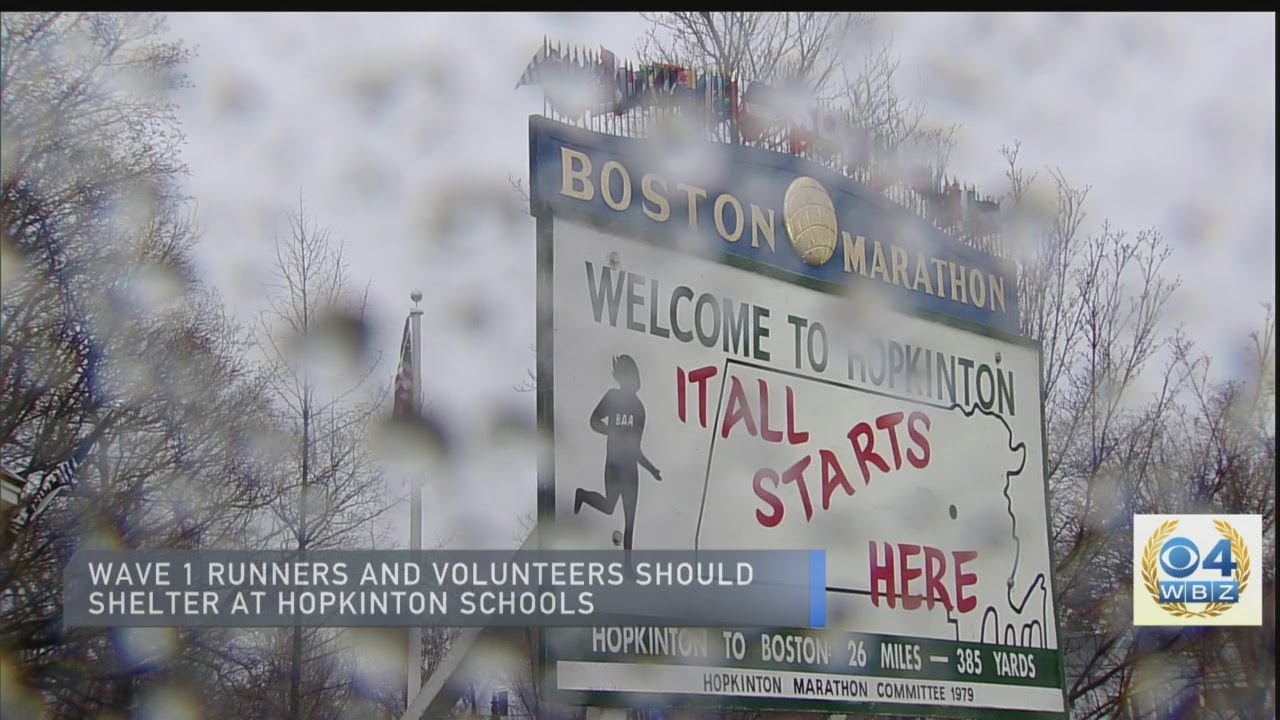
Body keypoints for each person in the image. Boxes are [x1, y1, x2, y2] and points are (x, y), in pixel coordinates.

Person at [574, 354, 661, 557]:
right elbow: (594, 420)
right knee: (609, 507)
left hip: (631, 472)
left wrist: (651, 469)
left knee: (630, 521)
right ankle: (583, 495)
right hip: (613, 466)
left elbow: (636, 448)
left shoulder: (639, 409)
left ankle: (628, 567)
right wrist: (611, 431)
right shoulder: (612, 398)